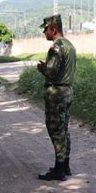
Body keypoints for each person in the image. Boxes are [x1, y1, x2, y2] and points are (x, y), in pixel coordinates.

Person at [37, 14, 77, 181]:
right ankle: (65, 164)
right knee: (64, 129)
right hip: (67, 91)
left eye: (45, 29)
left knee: (56, 130)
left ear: (53, 29)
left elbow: (52, 72)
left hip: (57, 93)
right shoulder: (70, 46)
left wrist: (42, 68)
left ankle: (59, 169)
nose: (44, 32)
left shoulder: (56, 47)